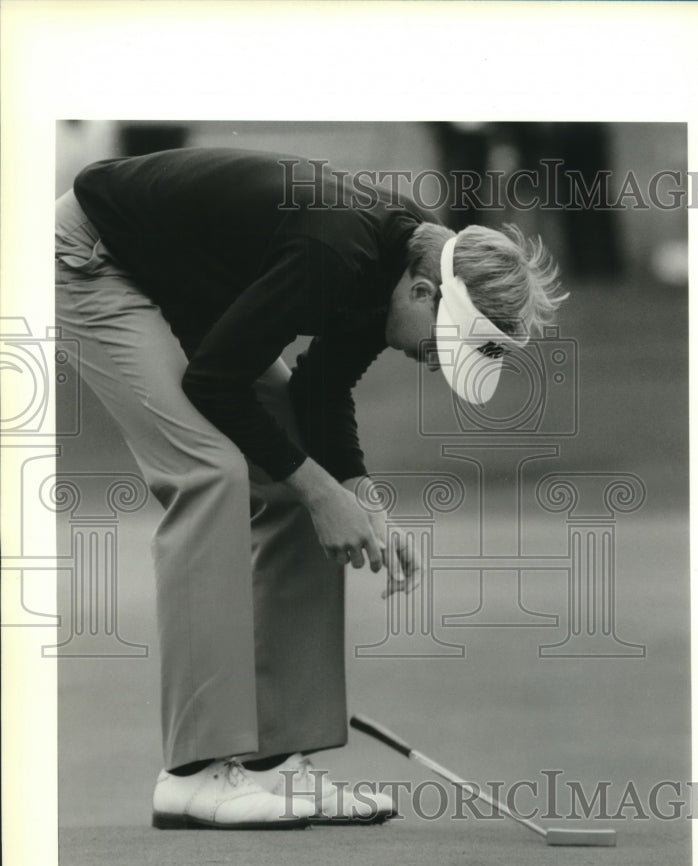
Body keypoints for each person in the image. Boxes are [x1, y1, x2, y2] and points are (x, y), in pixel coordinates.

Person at [54, 146, 566, 830]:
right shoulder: (333, 254)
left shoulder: (403, 257)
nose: (437, 364)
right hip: (98, 255)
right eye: (445, 344)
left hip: (182, 280)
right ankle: (192, 775)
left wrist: (358, 498)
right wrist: (322, 491)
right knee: (210, 473)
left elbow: (320, 390)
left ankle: (275, 763)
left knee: (307, 483)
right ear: (424, 293)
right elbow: (215, 383)